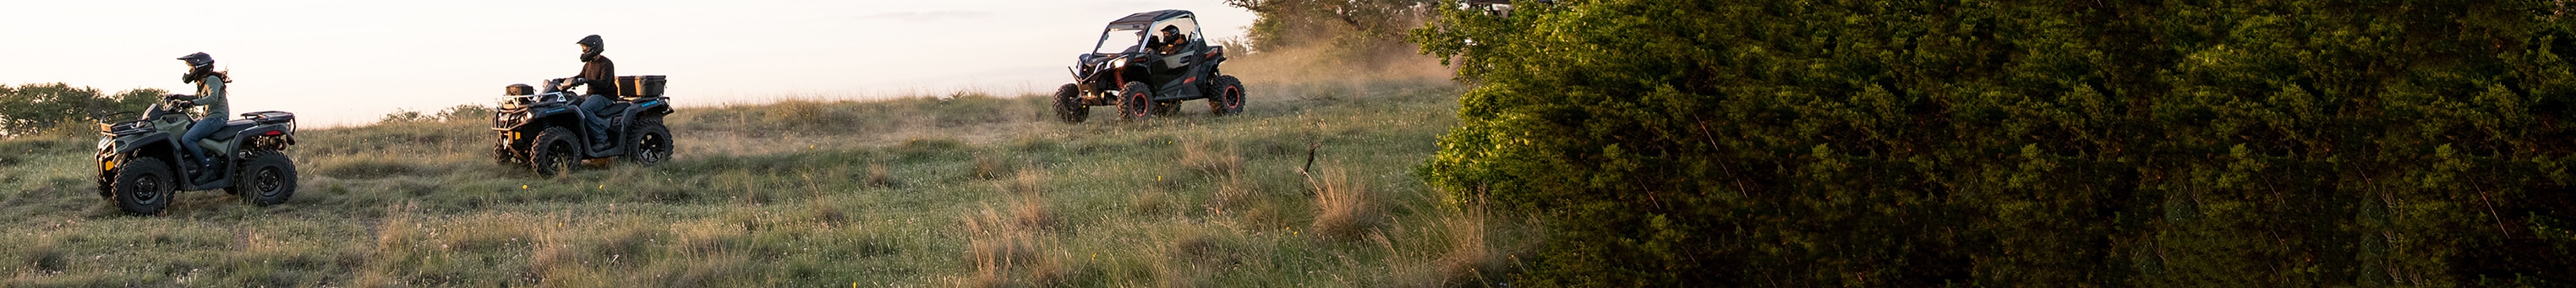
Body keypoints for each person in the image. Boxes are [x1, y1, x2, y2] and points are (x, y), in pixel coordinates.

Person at [165, 52, 230, 182]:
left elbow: (212, 98)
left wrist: (191, 103)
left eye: (191, 68)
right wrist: (177, 96)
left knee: (188, 139)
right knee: (186, 130)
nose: (190, 71)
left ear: (200, 67)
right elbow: (196, 97)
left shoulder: (212, 80)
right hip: (208, 117)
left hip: (217, 118)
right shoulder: (202, 82)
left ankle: (207, 169)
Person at [561, 35, 619, 147]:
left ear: (594, 48)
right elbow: (579, 76)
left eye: (585, 47)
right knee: (571, 103)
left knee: (585, 108)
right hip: (591, 95)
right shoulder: (589, 64)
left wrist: (587, 80)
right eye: (583, 48)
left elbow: (604, 83)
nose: (583, 50)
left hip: (606, 97)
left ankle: (602, 140)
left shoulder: (606, 63)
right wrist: (562, 81)